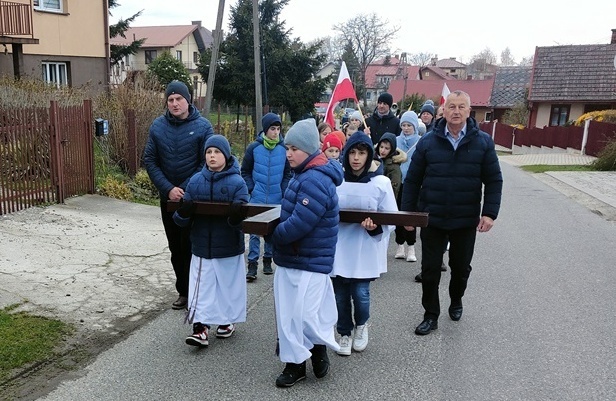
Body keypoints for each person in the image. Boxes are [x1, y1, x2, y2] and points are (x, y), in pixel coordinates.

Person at [401, 90, 503, 336]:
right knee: (430, 269)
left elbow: (494, 180)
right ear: (443, 111)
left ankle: (456, 299)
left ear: (469, 111)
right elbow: (412, 180)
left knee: (460, 268)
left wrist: (489, 213)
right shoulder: (428, 142)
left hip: (465, 219)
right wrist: (408, 215)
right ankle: (430, 314)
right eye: (452, 107)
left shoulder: (483, 142)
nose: (456, 112)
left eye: (461, 107)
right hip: (432, 217)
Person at [271, 119, 343, 387]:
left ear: (310, 150)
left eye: (294, 148)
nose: (288, 153)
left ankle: (317, 349)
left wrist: (273, 236)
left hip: (309, 260)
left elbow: (300, 223)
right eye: (287, 147)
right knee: (289, 315)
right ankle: (295, 364)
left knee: (305, 315)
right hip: (294, 259)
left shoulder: (314, 178)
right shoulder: (302, 174)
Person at [173, 135, 250, 346]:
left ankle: (226, 321)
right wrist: (185, 213)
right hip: (201, 247)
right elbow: (180, 220)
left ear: (226, 155)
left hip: (228, 246)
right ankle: (200, 327)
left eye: (216, 152)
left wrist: (236, 217)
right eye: (208, 152)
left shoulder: (237, 183)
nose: (212, 156)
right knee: (202, 286)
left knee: (228, 286)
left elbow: (244, 221)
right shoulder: (195, 181)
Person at [144, 80, 214, 310]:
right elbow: (150, 161)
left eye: (179, 99)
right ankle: (183, 291)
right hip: (168, 199)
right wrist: (168, 189)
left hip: (193, 200)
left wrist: (184, 189)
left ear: (188, 100)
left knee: (192, 246)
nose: (174, 104)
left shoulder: (203, 127)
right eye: (170, 100)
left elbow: (206, 163)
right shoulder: (157, 126)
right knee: (175, 247)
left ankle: (198, 291)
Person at [331, 131, 397, 356]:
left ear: (369, 155)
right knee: (339, 294)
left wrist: (375, 225)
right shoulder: (335, 179)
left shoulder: (381, 183)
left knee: (360, 293)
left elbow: (391, 217)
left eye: (361, 153)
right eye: (352, 152)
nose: (356, 158)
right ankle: (344, 332)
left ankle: (361, 325)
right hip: (339, 246)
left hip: (364, 247)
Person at [241, 112, 291, 282]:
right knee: (254, 232)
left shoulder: (283, 150)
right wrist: (251, 188)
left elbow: (287, 174)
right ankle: (252, 264)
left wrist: (283, 190)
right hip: (257, 196)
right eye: (272, 129)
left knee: (272, 231)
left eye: (278, 129)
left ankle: (268, 259)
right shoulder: (254, 148)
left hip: (277, 197)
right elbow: (245, 171)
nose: (276, 132)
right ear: (265, 130)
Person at [394, 111, 421, 263]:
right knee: (398, 214)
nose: (406, 128)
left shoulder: (420, 141)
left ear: (415, 126)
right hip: (399, 183)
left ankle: (411, 246)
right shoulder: (396, 140)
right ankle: (400, 245)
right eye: (403, 125)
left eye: (409, 125)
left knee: (412, 215)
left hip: (414, 183)